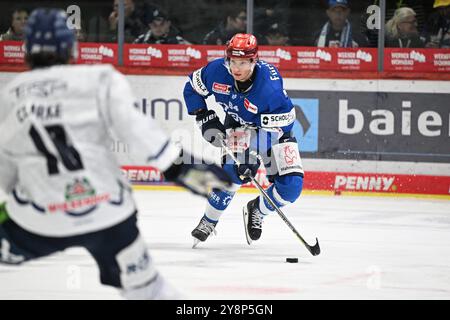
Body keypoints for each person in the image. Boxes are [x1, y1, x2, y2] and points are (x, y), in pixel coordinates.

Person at [0, 8, 231, 300]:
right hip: (107, 213)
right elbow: (138, 132)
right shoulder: (99, 79)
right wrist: (179, 168)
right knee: (148, 290)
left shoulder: (11, 94)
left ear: (27, 50)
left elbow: (7, 173)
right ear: (70, 47)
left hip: (38, 219)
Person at [183, 33, 304, 247]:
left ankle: (257, 209)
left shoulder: (270, 88)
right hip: (240, 124)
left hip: (275, 130)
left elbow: (278, 127)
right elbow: (191, 87)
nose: (236, 68)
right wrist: (205, 117)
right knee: (232, 174)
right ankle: (209, 220)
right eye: (233, 61)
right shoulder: (216, 71)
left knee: (291, 187)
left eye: (243, 63)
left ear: (254, 61)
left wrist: (253, 154)